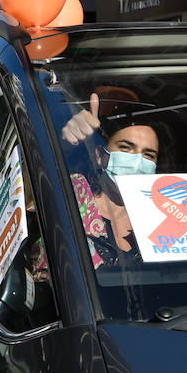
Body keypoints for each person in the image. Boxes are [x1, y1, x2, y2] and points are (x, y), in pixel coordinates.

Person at [58, 89, 168, 264]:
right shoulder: (73, 192)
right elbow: (27, 192)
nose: (137, 162)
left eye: (148, 155)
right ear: (99, 155)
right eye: (126, 148)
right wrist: (64, 145)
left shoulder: (165, 216)